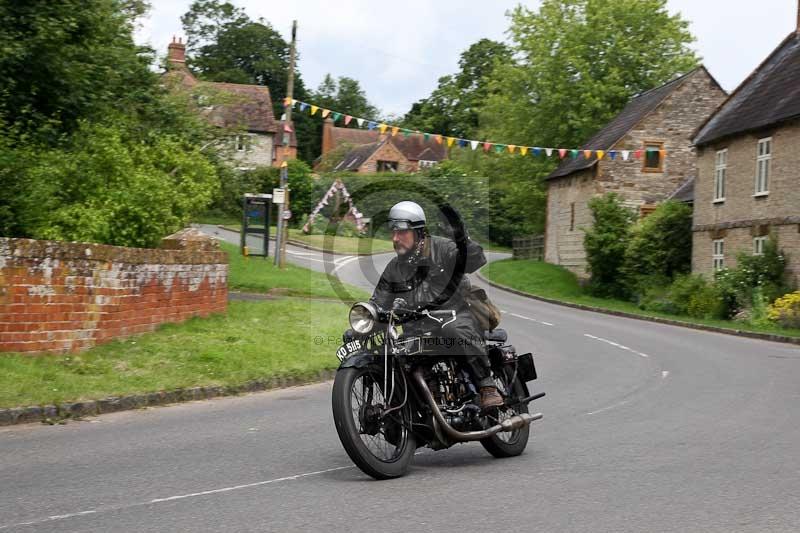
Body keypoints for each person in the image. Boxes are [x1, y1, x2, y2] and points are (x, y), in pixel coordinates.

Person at [369, 201, 504, 409]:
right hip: (418, 331)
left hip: (456, 316)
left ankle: (487, 387)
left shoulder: (443, 249)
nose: (395, 238)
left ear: (418, 232)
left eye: (402, 232)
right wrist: (365, 322)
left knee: (454, 328)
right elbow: (378, 301)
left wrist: (462, 239)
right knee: (393, 354)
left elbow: (474, 260)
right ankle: (408, 410)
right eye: (393, 232)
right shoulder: (395, 268)